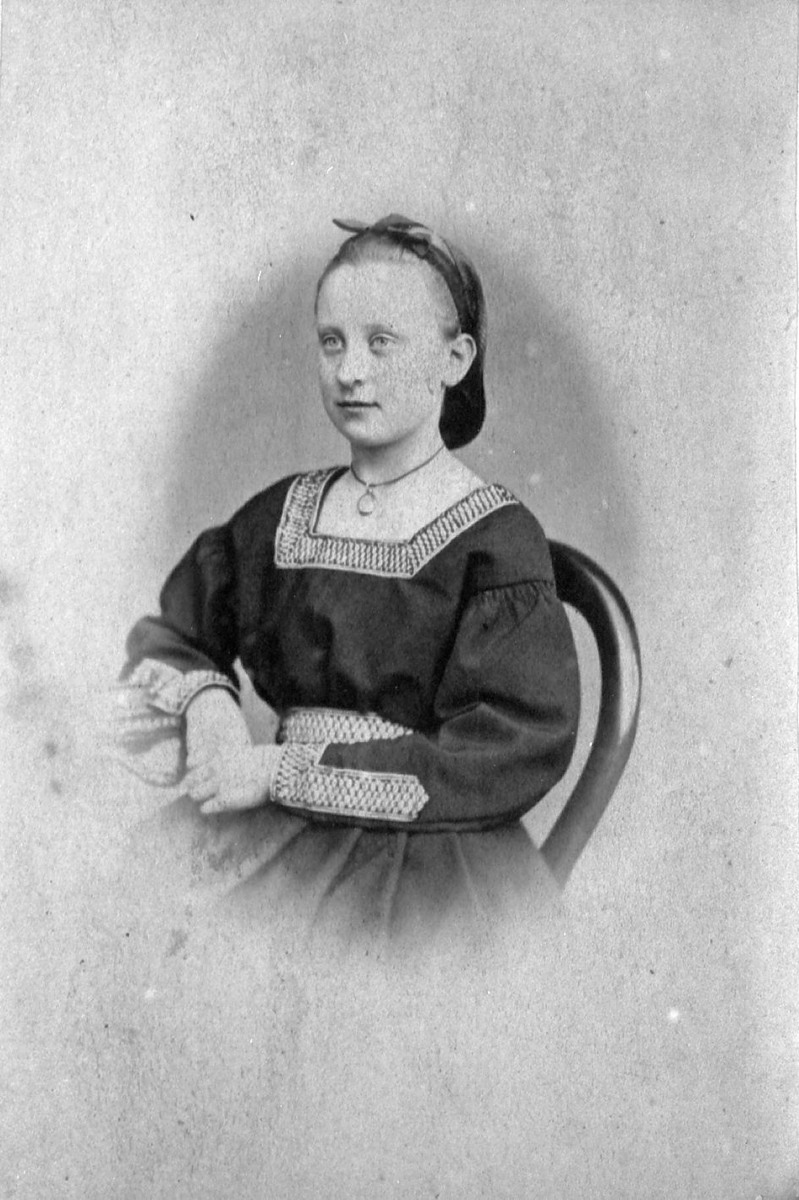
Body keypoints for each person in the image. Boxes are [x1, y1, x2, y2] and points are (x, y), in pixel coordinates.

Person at [115, 214, 581, 942]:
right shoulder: (282, 515)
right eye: (332, 341)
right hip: (270, 819)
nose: (349, 370)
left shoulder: (495, 539)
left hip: (428, 851)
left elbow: (504, 749)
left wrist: (283, 773)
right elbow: (174, 634)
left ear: (454, 358)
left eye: (381, 342)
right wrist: (208, 706)